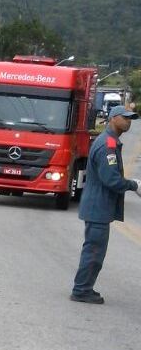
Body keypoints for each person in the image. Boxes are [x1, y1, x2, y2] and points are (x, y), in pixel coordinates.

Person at [70, 105, 141, 304]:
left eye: (130, 119)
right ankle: (81, 290)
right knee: (94, 252)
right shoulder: (107, 145)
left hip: (99, 207)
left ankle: (84, 287)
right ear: (112, 118)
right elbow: (111, 179)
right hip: (98, 208)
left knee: (95, 251)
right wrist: (134, 185)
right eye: (125, 118)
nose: (128, 122)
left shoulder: (110, 141)